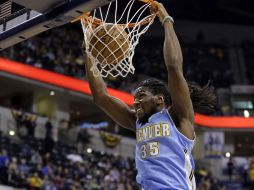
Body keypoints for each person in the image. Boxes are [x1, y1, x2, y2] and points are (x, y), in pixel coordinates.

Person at [82, 1, 216, 189]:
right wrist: (88, 52)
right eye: (135, 97)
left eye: (141, 96)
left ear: (159, 99)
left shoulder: (178, 118)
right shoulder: (137, 123)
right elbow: (100, 96)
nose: (135, 102)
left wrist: (166, 20)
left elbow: (174, 68)